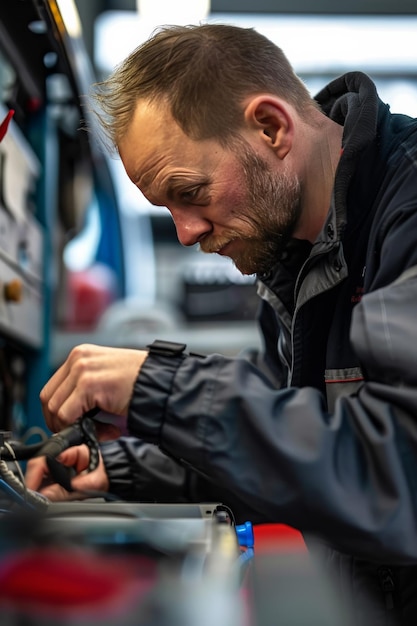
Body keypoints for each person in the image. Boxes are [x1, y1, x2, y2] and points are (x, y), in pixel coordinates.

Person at [25, 23, 417, 624]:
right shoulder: (291, 257)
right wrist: (119, 469)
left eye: (191, 192)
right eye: (168, 209)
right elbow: (291, 441)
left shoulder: (406, 214)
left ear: (271, 127)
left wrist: (161, 386)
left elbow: (398, 472)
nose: (185, 232)